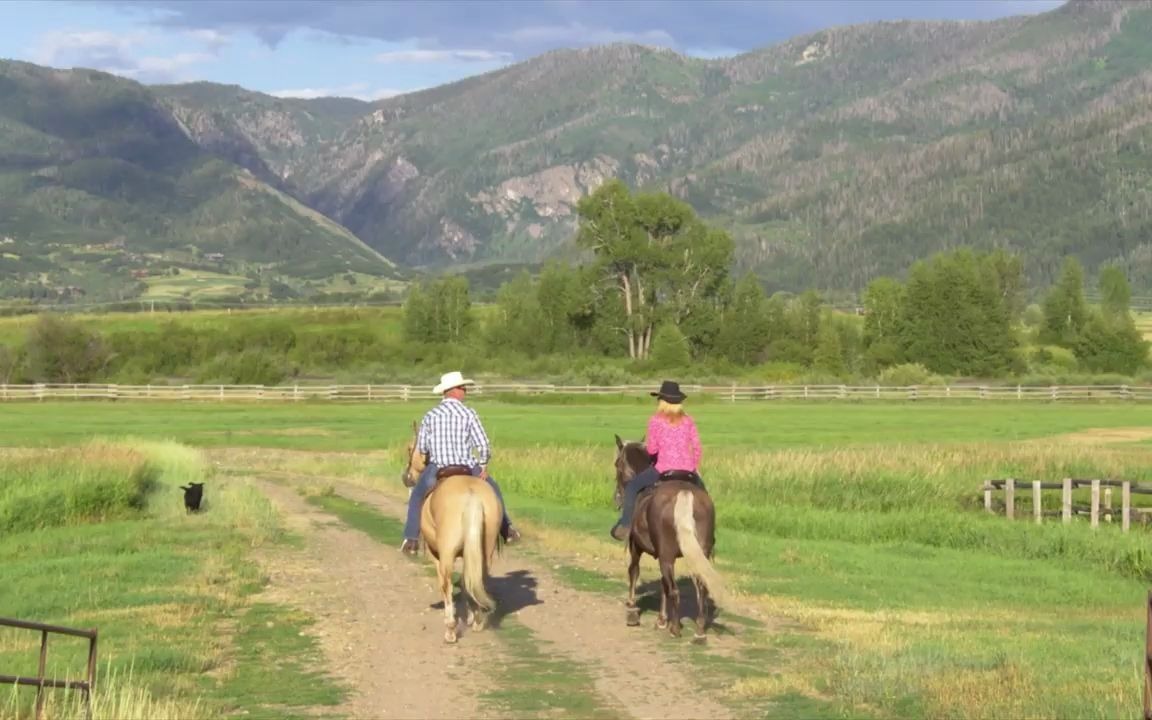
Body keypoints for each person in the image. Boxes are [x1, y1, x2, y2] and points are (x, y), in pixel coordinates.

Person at [400, 371, 521, 555]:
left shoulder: (431, 415)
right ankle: (507, 529)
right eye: (462, 387)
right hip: (467, 467)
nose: (465, 390)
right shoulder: (469, 413)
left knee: (417, 496)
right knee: (493, 490)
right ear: (452, 390)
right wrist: (483, 465)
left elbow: (423, 447)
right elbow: (483, 444)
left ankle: (411, 539)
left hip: (438, 468)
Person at [610, 380, 705, 541]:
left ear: (663, 401)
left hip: (663, 469)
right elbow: (697, 447)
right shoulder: (688, 420)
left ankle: (625, 524)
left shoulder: (656, 420)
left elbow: (652, 449)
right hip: (688, 471)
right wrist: (693, 466)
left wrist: (657, 455)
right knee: (703, 494)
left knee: (632, 487)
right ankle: (707, 529)